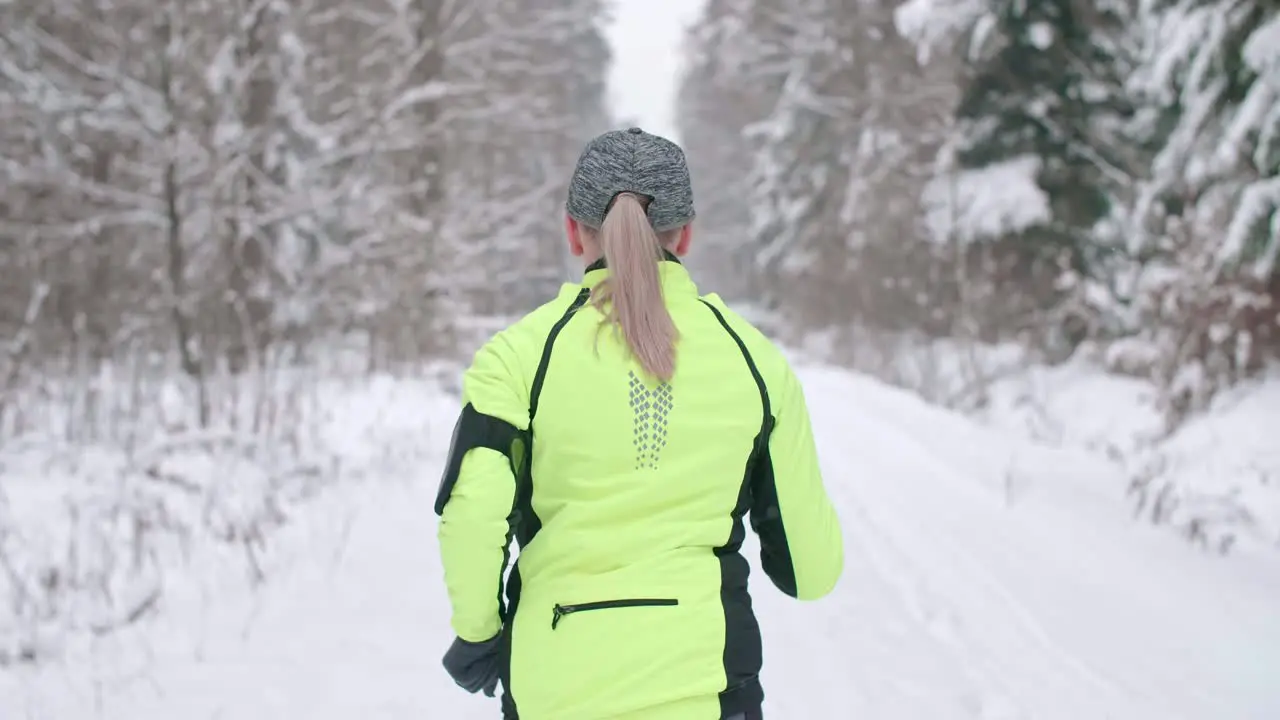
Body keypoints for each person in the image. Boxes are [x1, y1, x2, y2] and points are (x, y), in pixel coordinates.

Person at [434, 127, 843, 720]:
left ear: (574, 232)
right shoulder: (754, 361)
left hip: (557, 687)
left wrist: (478, 634)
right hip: (708, 691)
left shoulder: (519, 356)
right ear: (687, 234)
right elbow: (810, 571)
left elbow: (474, 512)